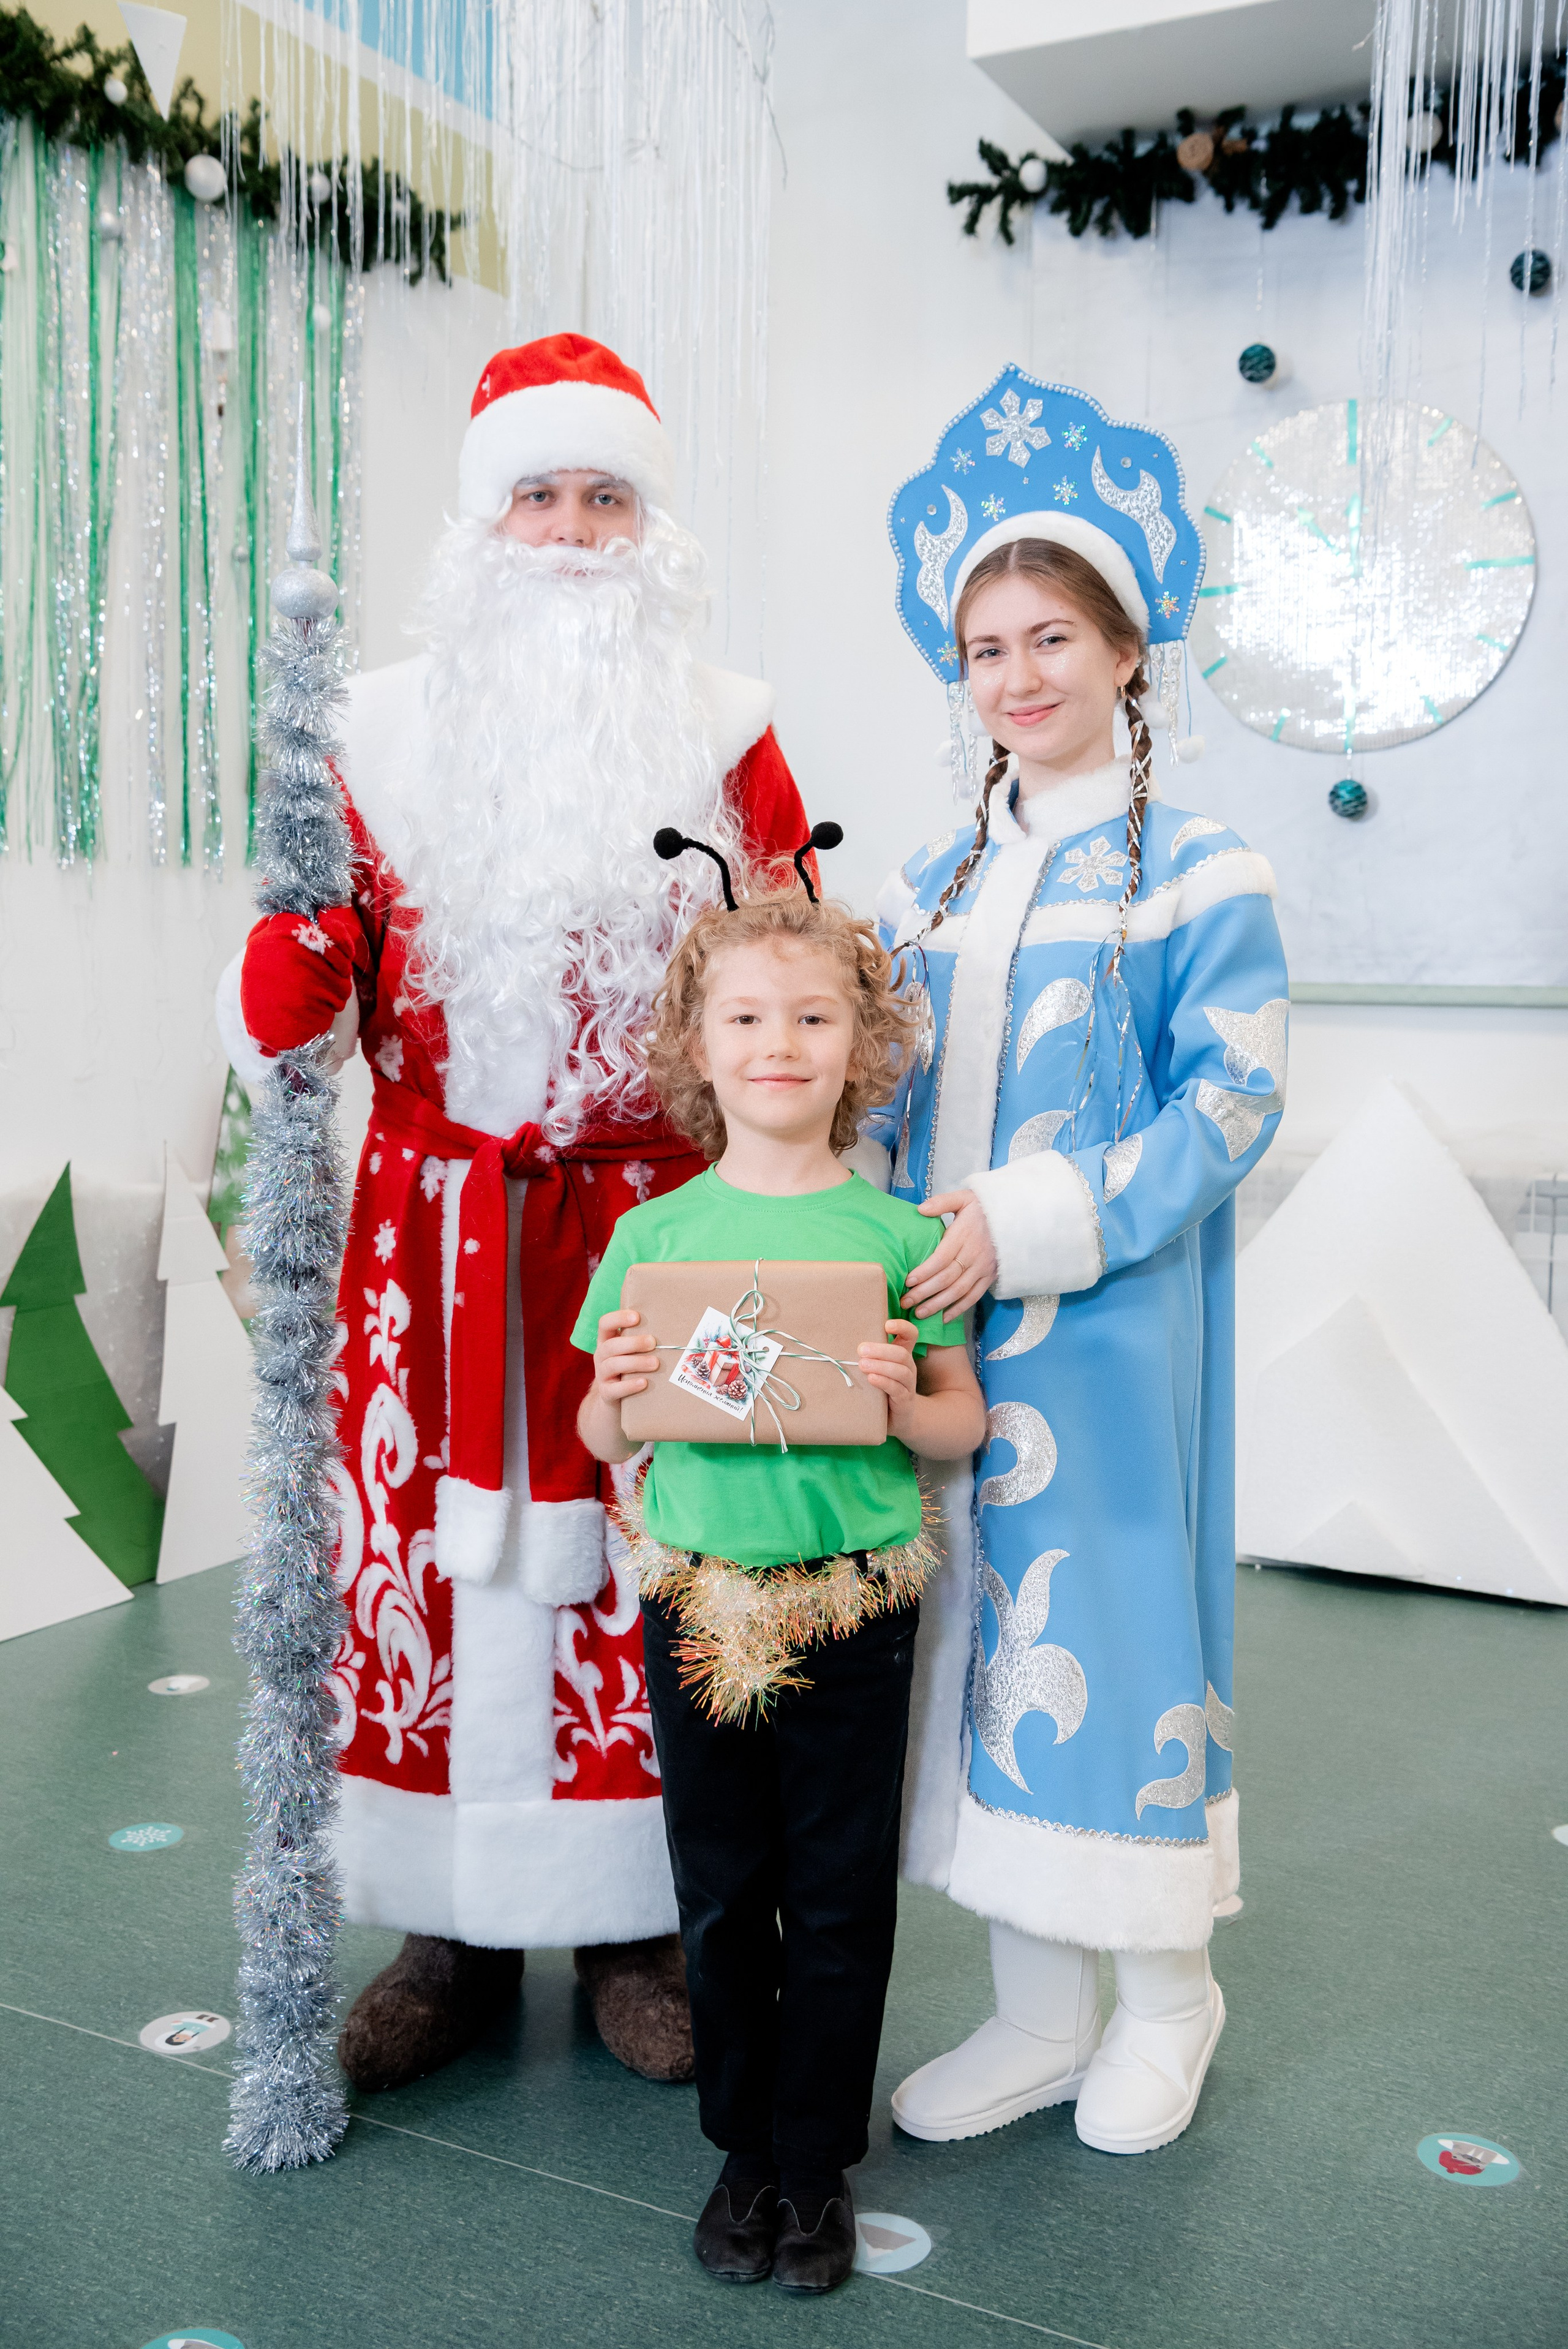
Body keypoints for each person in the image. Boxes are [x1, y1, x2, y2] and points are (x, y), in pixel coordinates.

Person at [216, 333, 811, 2092]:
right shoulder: (371, 728)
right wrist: (287, 965)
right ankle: (449, 1931)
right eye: (536, 497)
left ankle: (641, 1926)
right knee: (420, 1566)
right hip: (427, 1234)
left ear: (650, 524)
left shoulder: (726, 727)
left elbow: (788, 953)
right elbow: (310, 978)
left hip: (654, 1222)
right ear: (483, 525)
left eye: (603, 496)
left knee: (656, 1554)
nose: (569, 533)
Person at [875, 372, 1288, 2157]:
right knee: (967, 1640)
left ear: (1129, 650)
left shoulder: (1202, 868)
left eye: (1053, 636)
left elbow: (1237, 1096)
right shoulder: (926, 879)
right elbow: (877, 1088)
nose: (1019, 674)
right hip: (939, 1343)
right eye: (986, 646)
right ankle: (1040, 2006)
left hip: (1111, 1342)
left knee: (1106, 1633)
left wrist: (1036, 1221)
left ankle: (1169, 1993)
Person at [574, 868, 985, 2292]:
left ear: (858, 1045)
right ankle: (741, 2150)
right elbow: (599, 1429)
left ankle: (812, 2167)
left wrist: (891, 1402)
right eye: (745, 1015)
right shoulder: (650, 1237)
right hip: (694, 1601)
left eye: (813, 1016)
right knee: (718, 1888)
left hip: (854, 1603)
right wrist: (618, 1395)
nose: (779, 1042)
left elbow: (957, 1425)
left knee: (838, 1893)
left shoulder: (899, 1238)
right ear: (698, 1045)